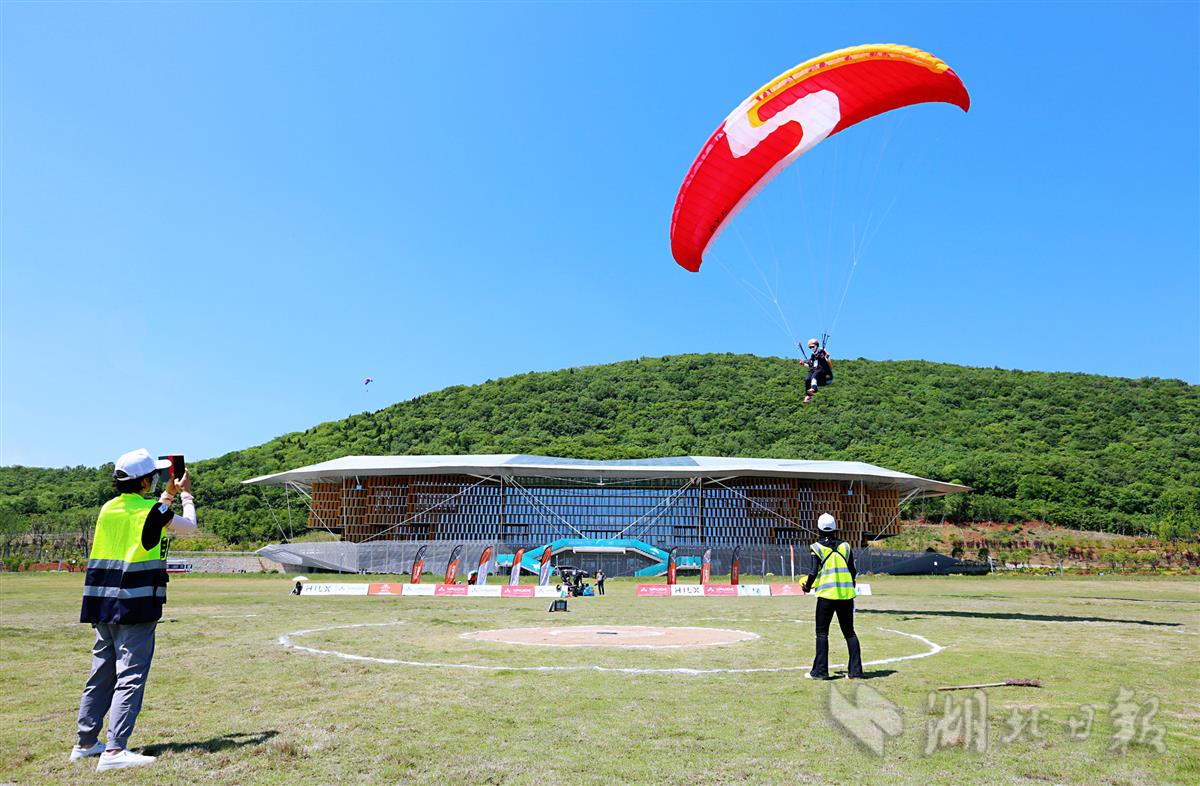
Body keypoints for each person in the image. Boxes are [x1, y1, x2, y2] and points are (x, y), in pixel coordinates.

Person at [72, 449, 197, 771]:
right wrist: (186, 496)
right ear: (145, 481)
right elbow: (188, 527)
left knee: (101, 673)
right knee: (130, 675)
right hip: (136, 600)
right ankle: (115, 751)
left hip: (101, 601)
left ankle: (85, 743)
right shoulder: (149, 510)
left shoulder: (108, 509)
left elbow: (150, 516)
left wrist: (168, 494)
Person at [802, 512, 863, 680]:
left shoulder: (816, 547)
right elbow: (853, 571)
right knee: (850, 633)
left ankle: (820, 672)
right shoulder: (846, 546)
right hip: (846, 596)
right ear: (835, 527)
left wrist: (807, 586)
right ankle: (855, 672)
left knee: (822, 634)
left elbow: (813, 572)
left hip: (826, 597)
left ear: (819, 528)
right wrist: (852, 586)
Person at [801, 338, 833, 403]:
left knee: (815, 374)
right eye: (810, 347)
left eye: (812, 347)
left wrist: (826, 357)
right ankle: (809, 396)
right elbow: (811, 365)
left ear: (816, 346)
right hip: (818, 377)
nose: (811, 348)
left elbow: (826, 358)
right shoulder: (813, 356)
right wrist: (803, 364)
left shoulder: (821, 352)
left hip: (825, 375)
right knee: (807, 379)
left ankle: (814, 388)